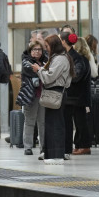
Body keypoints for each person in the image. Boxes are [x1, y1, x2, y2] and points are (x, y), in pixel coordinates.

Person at [31, 34, 73, 165]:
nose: (46, 49)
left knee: (55, 125)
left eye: (47, 46)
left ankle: (57, 155)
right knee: (51, 124)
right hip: (55, 93)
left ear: (53, 45)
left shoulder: (60, 59)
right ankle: (50, 154)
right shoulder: (58, 57)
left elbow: (49, 77)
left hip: (56, 93)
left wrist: (39, 70)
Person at [17, 41, 47, 155]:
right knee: (29, 121)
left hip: (44, 96)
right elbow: (33, 72)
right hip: (30, 96)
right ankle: (28, 147)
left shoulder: (46, 60)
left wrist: (40, 69)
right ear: (30, 51)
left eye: (39, 49)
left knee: (42, 122)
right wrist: (42, 70)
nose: (37, 52)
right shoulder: (26, 61)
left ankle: (43, 147)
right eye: (34, 49)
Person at [70, 36, 96, 155]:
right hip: (81, 96)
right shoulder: (85, 59)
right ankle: (79, 144)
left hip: (80, 97)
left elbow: (77, 77)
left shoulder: (81, 60)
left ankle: (85, 146)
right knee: (79, 122)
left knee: (81, 122)